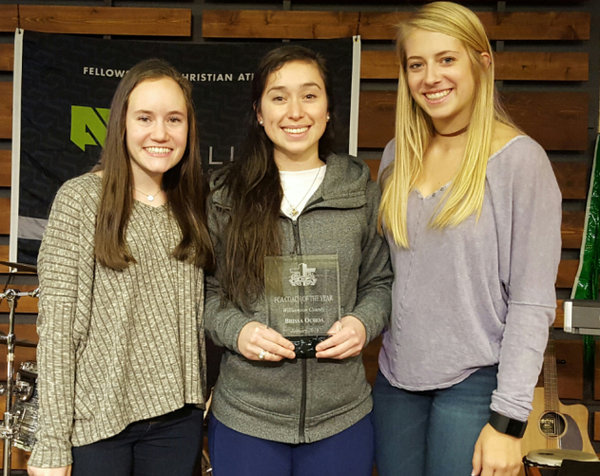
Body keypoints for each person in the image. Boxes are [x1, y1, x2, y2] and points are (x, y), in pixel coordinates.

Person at [373, 2, 562, 476]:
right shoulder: (398, 156)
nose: (430, 76)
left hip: (477, 383)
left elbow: (532, 302)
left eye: (447, 59)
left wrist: (508, 421)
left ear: (482, 61)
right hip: (396, 380)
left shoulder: (522, 162)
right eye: (416, 64)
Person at [204, 45, 392, 476]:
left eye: (309, 95)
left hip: (341, 416)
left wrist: (363, 323)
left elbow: (380, 283)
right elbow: (206, 292)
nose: (295, 111)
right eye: (278, 96)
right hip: (247, 416)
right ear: (258, 111)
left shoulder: (360, 192)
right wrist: (238, 330)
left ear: (328, 109)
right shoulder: (225, 196)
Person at [27, 58, 214, 476]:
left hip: (178, 422)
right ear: (122, 124)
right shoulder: (80, 200)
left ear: (189, 128)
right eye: (145, 117)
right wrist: (52, 443)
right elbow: (58, 330)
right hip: (98, 423)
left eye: (174, 119)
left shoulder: (196, 206)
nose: (160, 133)